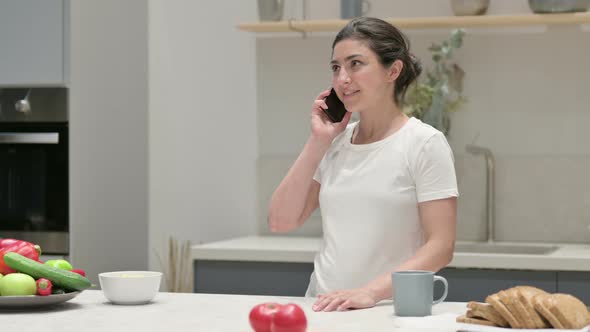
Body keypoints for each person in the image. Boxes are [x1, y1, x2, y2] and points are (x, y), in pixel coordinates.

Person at [267, 17, 458, 312]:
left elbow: (441, 247)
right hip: (323, 307)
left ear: (393, 70)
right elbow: (281, 221)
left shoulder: (424, 143)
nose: (343, 78)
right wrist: (318, 141)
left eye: (355, 64)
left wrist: (369, 293)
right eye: (336, 67)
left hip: (388, 310)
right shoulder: (334, 145)